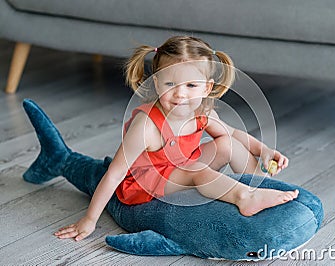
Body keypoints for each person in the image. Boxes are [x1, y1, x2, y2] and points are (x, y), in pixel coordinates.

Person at [54, 36, 299, 241]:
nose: (180, 94)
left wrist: (264, 150)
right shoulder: (146, 126)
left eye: (191, 85)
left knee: (227, 143)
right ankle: (245, 198)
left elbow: (233, 133)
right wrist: (89, 219)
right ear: (156, 83)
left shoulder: (202, 111)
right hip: (148, 183)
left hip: (182, 166)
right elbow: (115, 174)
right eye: (170, 83)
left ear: (206, 87)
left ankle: (258, 184)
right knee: (198, 173)